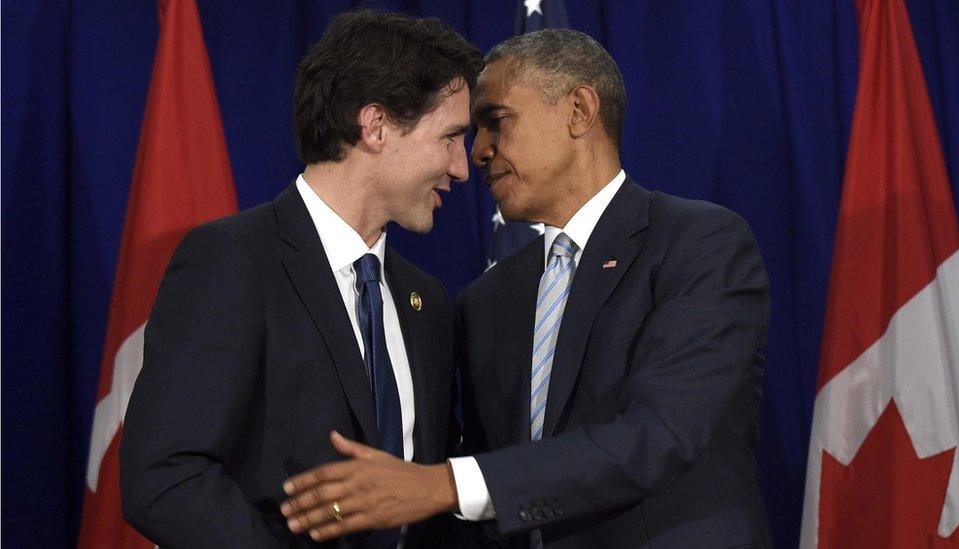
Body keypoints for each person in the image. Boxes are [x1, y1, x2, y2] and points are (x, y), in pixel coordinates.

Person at [279, 28, 772, 549]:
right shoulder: (489, 300)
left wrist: (442, 484)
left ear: (579, 111)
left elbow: (660, 436)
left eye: (496, 122)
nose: (477, 153)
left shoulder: (698, 244)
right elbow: (492, 491)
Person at [119, 10, 482, 548]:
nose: (461, 167)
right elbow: (165, 478)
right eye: (450, 137)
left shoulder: (423, 300)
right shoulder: (234, 261)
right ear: (376, 125)